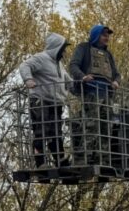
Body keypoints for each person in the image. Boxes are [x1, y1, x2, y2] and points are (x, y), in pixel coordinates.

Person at [68, 24, 122, 166]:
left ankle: (102, 158)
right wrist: (83, 76)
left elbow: (117, 74)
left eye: (108, 35)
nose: (107, 38)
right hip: (91, 93)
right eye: (104, 35)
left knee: (106, 127)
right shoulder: (83, 48)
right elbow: (73, 65)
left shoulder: (108, 54)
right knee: (91, 125)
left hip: (107, 95)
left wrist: (116, 81)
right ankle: (84, 157)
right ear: (96, 35)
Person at [18, 32, 72, 168]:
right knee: (41, 131)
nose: (64, 52)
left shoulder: (59, 64)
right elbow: (24, 66)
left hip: (56, 102)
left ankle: (60, 160)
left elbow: (67, 80)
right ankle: (40, 162)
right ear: (56, 47)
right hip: (41, 101)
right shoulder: (41, 58)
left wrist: (80, 85)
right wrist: (28, 79)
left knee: (55, 133)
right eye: (63, 48)